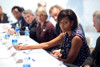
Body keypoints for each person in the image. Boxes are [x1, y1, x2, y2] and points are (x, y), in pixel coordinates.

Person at [14, 9, 90, 66]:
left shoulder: (76, 37)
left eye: (65, 22)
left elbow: (69, 61)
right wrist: (24, 47)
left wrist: (55, 57)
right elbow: (47, 44)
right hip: (65, 62)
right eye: (60, 22)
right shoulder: (65, 33)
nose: (62, 25)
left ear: (72, 23)